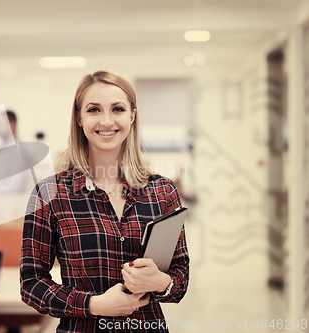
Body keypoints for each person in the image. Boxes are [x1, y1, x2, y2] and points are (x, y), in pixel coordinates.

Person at [20, 71, 189, 332]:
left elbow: (180, 278)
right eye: (94, 110)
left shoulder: (162, 191)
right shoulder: (49, 194)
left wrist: (159, 281)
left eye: (118, 109)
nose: (107, 120)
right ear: (79, 118)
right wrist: (94, 305)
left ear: (132, 115)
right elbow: (31, 284)